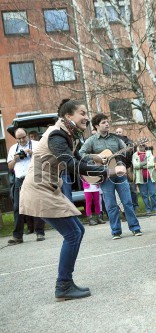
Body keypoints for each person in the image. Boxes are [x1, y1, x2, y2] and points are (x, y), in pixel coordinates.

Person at [19, 99, 126, 301]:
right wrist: (109, 171)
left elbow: (78, 158)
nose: (86, 117)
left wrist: (96, 159)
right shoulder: (57, 135)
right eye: (82, 113)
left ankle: (65, 283)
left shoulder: (67, 133)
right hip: (40, 189)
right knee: (73, 234)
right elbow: (71, 165)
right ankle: (63, 286)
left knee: (77, 230)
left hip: (48, 188)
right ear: (69, 116)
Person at [79, 114, 142, 239]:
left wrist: (129, 150)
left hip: (119, 173)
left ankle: (135, 228)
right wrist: (96, 158)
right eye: (103, 122)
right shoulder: (91, 140)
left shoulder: (115, 138)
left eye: (107, 122)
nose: (107, 124)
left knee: (127, 202)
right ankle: (116, 231)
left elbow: (125, 150)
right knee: (111, 204)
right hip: (105, 175)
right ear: (96, 125)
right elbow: (81, 153)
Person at [7, 128, 45, 244]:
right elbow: (9, 167)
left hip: (34, 177)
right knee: (18, 207)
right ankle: (17, 236)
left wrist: (32, 154)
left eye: (24, 137)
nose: (22, 140)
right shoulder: (13, 148)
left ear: (27, 135)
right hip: (20, 179)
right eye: (19, 138)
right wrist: (15, 159)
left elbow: (45, 159)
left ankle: (39, 232)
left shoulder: (37, 144)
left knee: (36, 204)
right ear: (16, 138)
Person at [115, 127, 139, 211]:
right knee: (121, 190)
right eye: (116, 132)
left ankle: (135, 206)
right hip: (118, 168)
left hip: (128, 167)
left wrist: (130, 150)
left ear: (123, 133)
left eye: (119, 132)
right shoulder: (114, 142)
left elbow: (133, 154)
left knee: (132, 188)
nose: (118, 133)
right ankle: (124, 210)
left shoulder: (129, 142)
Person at [132, 144, 156, 214]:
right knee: (144, 194)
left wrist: (140, 165)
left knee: (152, 193)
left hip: (150, 176)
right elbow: (135, 165)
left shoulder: (149, 153)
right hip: (140, 178)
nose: (141, 147)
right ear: (137, 147)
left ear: (145, 147)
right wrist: (145, 164)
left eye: (142, 146)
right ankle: (148, 208)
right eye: (139, 146)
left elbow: (152, 163)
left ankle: (155, 207)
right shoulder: (135, 155)